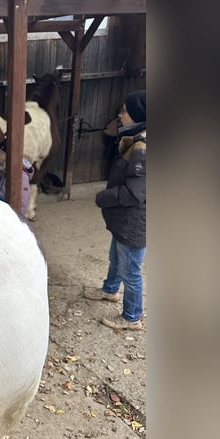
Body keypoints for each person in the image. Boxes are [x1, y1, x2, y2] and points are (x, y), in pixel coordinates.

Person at [84, 90, 146, 330]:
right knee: (115, 258)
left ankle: (132, 317)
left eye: (124, 110)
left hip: (135, 221)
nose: (120, 114)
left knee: (130, 271)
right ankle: (110, 290)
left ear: (138, 115)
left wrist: (103, 197)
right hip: (124, 220)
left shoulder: (142, 149)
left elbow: (135, 192)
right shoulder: (134, 138)